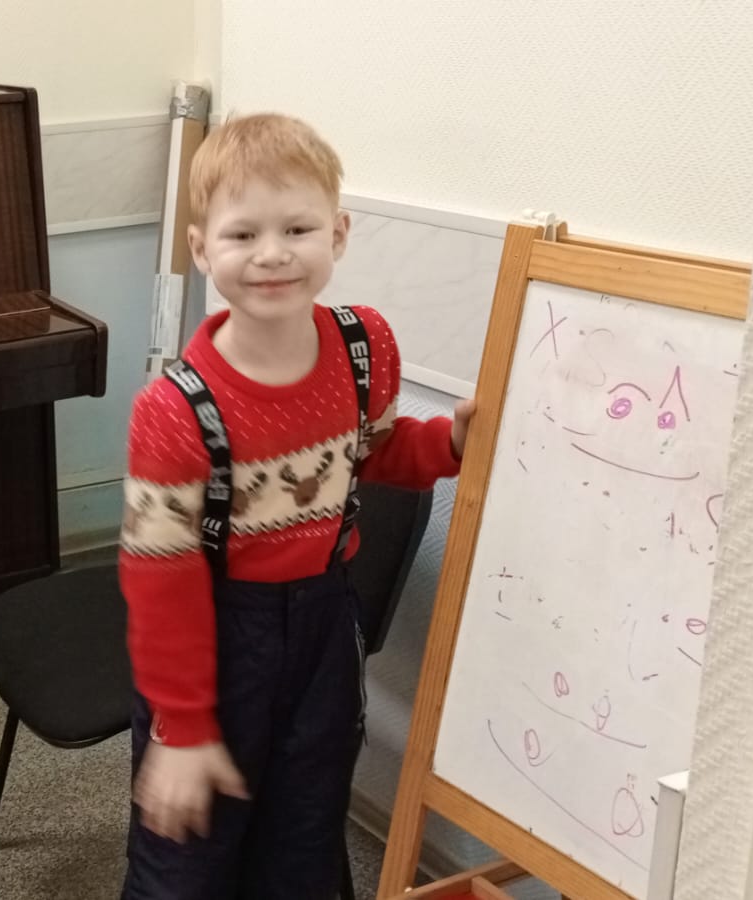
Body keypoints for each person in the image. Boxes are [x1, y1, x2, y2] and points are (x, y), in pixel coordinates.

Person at [117, 112, 476, 899]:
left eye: (298, 228)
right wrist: (183, 727)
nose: (273, 253)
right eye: (243, 234)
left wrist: (449, 442)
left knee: (305, 838)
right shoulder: (173, 410)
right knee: (188, 861)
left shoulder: (363, 347)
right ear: (201, 248)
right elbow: (160, 581)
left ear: (337, 234)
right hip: (213, 636)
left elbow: (374, 453)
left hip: (323, 628)